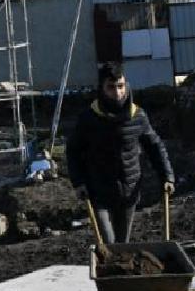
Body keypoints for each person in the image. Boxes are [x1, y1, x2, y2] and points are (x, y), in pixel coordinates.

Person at [69, 63, 175, 244]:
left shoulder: (138, 116)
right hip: (98, 189)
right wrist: (78, 182)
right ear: (102, 89)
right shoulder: (89, 118)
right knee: (108, 244)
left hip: (129, 189)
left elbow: (155, 146)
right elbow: (73, 150)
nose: (117, 93)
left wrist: (167, 176)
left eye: (120, 86)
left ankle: (119, 270)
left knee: (122, 244)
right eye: (111, 87)